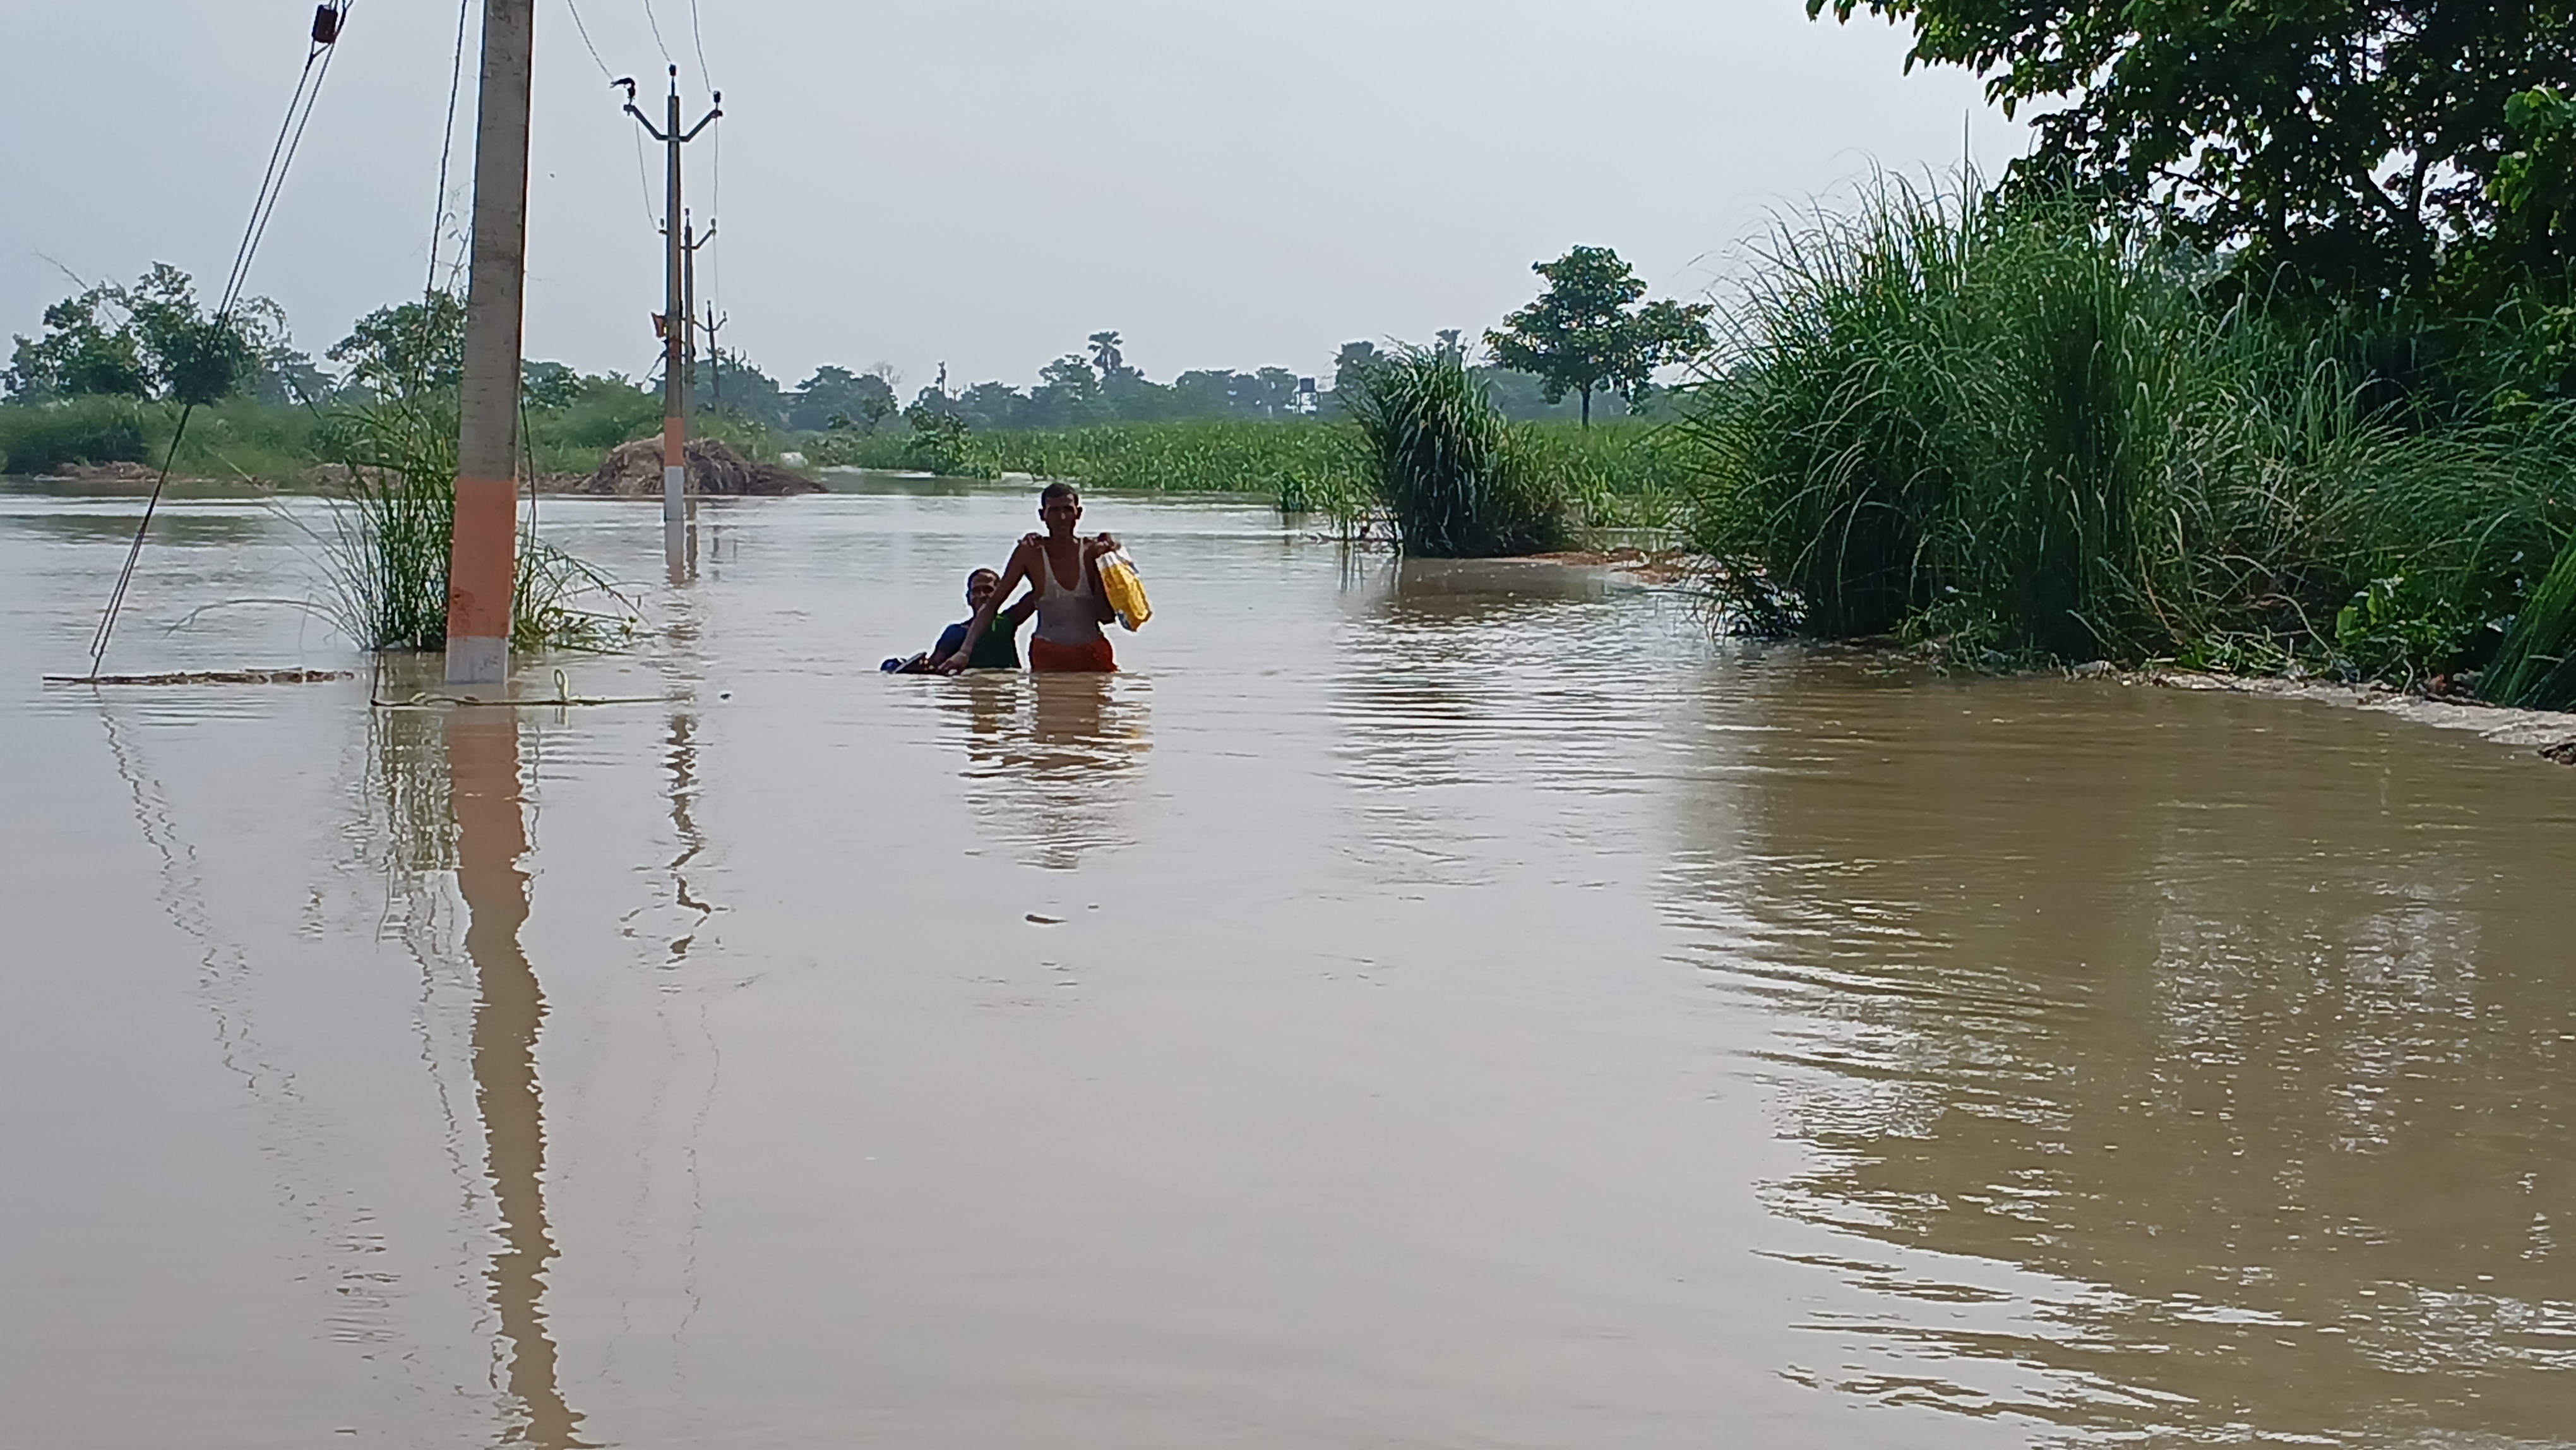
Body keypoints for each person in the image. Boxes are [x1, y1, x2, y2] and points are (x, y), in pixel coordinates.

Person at [940, 482, 1120, 673]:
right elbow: (992, 605)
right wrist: (965, 652)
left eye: (1068, 510)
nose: (1062, 517)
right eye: (1054, 510)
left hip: (1091, 652)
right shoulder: (1030, 553)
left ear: (1079, 513)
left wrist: (1111, 557)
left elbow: (1108, 617)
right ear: (1043, 515)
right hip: (1049, 654)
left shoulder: (1094, 551)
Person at [883, 568, 1035, 673]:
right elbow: (933, 668)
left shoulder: (1007, 622)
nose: (982, 595)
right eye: (976, 591)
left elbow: (1039, 593)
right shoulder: (956, 632)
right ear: (968, 598)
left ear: (1001, 594)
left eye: (988, 590)